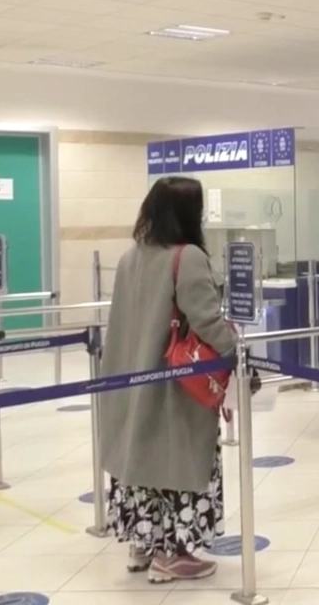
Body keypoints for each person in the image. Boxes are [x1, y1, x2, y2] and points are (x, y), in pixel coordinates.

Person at [98, 176, 237, 583]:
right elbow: (207, 320)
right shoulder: (187, 256)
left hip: (129, 379)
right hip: (173, 386)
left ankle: (142, 544)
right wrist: (237, 351)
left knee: (139, 459)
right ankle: (172, 554)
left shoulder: (131, 257)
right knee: (178, 460)